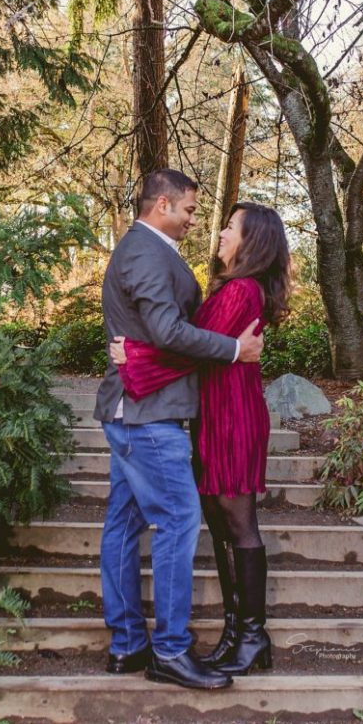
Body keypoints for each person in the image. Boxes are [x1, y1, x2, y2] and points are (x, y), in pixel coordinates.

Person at [94, 170, 265, 690]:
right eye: (190, 210)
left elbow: (160, 330)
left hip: (136, 409)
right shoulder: (146, 251)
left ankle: (128, 645)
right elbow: (168, 330)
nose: (196, 220)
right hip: (149, 414)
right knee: (178, 519)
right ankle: (168, 650)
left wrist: (140, 352)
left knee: (124, 525)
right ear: (163, 204)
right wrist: (235, 349)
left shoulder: (151, 250)